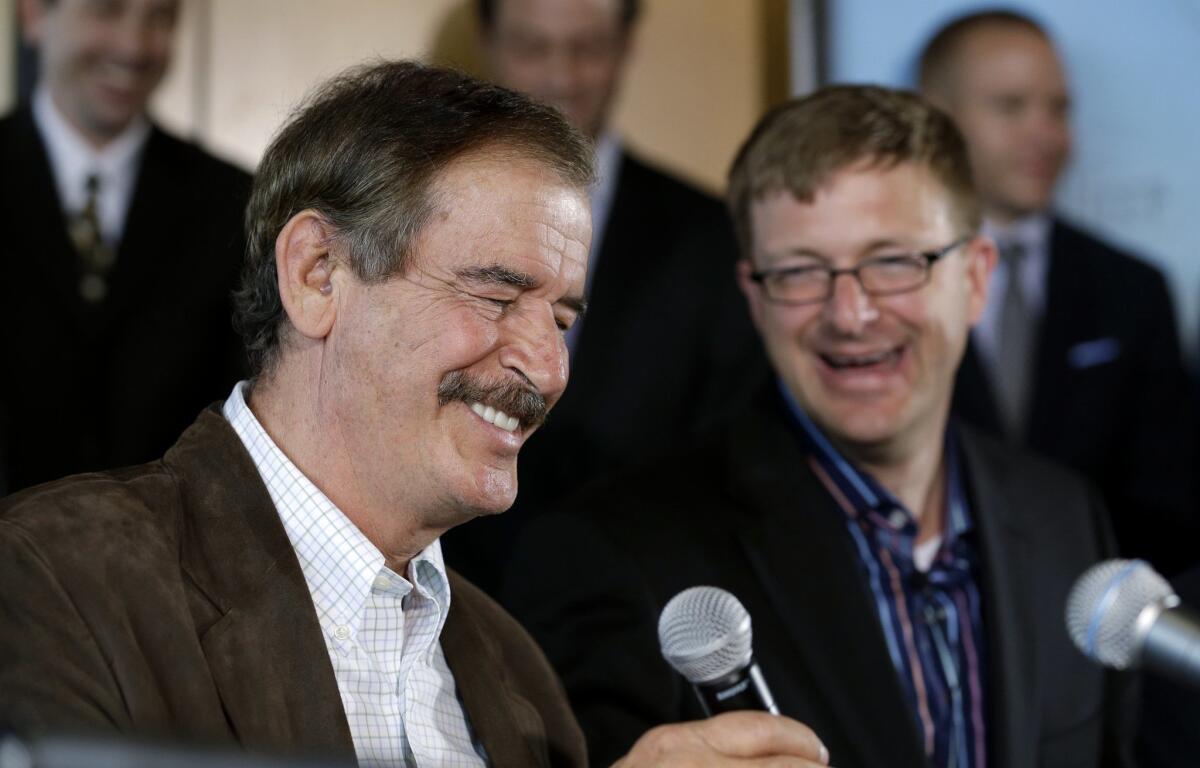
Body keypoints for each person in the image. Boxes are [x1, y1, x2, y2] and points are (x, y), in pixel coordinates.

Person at [0, 59, 831, 768]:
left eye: (565, 320)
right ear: (318, 274)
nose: (547, 366)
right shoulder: (52, 577)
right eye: (497, 292)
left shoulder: (517, 671)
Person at [504, 85, 1136, 768]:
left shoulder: (1064, 520)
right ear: (754, 296)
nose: (850, 313)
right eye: (801, 271)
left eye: (895, 262)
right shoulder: (613, 556)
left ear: (977, 279)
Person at [441, 0, 767, 594]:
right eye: (533, 48)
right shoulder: (426, 220)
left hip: (646, 612)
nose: (561, 76)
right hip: (456, 602)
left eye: (588, 49)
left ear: (625, 46)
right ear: (487, 41)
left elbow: (730, 459)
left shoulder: (714, 241)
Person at [918, 10, 1196, 575]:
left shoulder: (1133, 290)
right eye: (1011, 105)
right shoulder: (887, 284)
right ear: (937, 116)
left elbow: (1170, 502)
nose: (1045, 133)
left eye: (1059, 108)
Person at [0, 0, 252, 495]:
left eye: (159, 17)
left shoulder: (236, 204)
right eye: (107, 10)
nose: (134, 46)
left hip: (167, 557)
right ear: (34, 15)